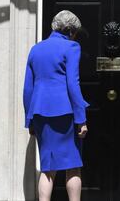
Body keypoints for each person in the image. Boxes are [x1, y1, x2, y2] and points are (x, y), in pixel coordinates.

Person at [23, 10, 89, 201]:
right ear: (70, 31)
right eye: (75, 32)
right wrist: (81, 118)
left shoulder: (36, 49)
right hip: (65, 113)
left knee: (47, 168)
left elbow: (28, 88)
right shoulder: (71, 47)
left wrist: (30, 120)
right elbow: (72, 84)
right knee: (73, 166)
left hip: (40, 113)